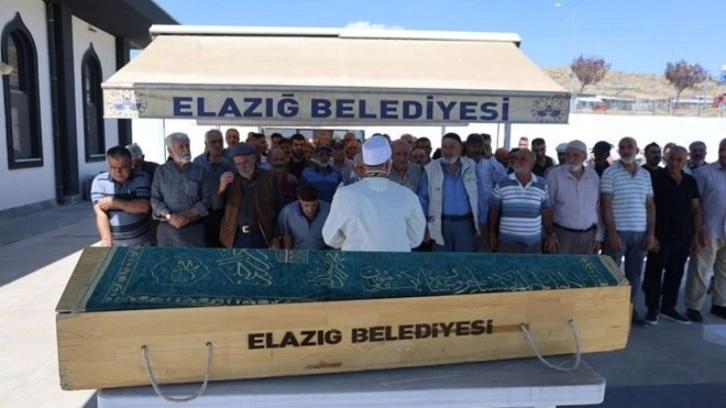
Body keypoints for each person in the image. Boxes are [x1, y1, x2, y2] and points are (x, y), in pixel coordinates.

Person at [323, 136, 425, 252]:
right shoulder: (408, 195)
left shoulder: (344, 195)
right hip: (395, 261)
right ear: (388, 164)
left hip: (357, 260)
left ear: (364, 165)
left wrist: (354, 241)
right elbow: (416, 238)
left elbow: (330, 237)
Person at [601, 137, 658, 326]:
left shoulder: (645, 175)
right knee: (612, 274)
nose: (626, 150)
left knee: (635, 275)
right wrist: (611, 233)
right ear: (619, 150)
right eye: (623, 147)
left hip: (640, 233)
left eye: (630, 147)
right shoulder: (610, 173)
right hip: (618, 232)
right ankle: (609, 312)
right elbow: (605, 204)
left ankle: (629, 311)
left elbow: (650, 205)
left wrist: (651, 233)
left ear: (636, 150)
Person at [642, 146, 701, 325]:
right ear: (666, 158)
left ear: (685, 161)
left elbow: (695, 209)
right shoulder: (655, 178)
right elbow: (648, 207)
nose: (675, 163)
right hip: (659, 236)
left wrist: (695, 236)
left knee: (675, 274)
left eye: (679, 160)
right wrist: (651, 235)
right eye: (672, 158)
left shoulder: (690, 181)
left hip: (682, 237)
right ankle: (652, 310)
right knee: (653, 274)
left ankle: (668, 308)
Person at [684, 138, 726, 322]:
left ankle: (720, 304)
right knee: (701, 270)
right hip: (708, 230)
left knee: (724, 271)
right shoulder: (704, 173)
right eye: (722, 149)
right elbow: (695, 204)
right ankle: (693, 306)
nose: (723, 153)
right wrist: (697, 229)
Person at [418, 133, 479, 252]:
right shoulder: (430, 169)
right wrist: (423, 225)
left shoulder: (471, 166)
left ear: (460, 148)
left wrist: (481, 223)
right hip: (440, 224)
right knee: (441, 260)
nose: (447, 151)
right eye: (444, 147)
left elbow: (479, 195)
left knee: (464, 260)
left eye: (451, 147)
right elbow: (423, 199)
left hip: (465, 224)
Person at [151, 133, 213, 248]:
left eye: (187, 146)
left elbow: (207, 199)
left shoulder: (200, 171)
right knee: (166, 259)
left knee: (194, 259)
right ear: (170, 151)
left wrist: (187, 215)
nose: (186, 150)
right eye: (181, 147)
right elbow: (154, 199)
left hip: (193, 229)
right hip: (167, 231)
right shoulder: (161, 171)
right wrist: (170, 216)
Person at [215, 143, 282, 249]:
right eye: (238, 164)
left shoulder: (269, 178)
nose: (242, 167)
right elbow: (216, 206)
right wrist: (221, 189)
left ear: (253, 158)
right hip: (236, 236)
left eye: (245, 162)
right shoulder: (230, 179)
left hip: (263, 235)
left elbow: (279, 207)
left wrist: (276, 236)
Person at [489, 148, 555, 254]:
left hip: (533, 243)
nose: (518, 161)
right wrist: (491, 233)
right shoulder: (502, 182)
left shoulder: (541, 184)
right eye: (516, 158)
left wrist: (550, 234)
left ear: (532, 163)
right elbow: (494, 208)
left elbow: (546, 210)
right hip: (507, 242)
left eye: (523, 159)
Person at [546, 141, 602, 255]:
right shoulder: (555, 175)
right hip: (562, 236)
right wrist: (550, 234)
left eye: (575, 155)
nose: (570, 159)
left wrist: (598, 237)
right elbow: (547, 207)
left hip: (588, 237)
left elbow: (597, 207)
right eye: (568, 155)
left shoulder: (593, 176)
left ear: (584, 157)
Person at [91, 146, 152, 246]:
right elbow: (100, 213)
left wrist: (113, 202)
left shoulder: (141, 177)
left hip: (142, 242)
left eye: (123, 167)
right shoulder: (99, 181)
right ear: (108, 165)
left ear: (131, 164)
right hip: (114, 243)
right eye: (113, 167)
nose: (118, 172)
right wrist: (106, 240)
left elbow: (144, 207)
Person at [193, 129, 235, 247]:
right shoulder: (198, 162)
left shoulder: (230, 160)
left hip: (226, 211)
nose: (218, 145)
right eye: (213, 142)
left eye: (220, 141)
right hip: (205, 212)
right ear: (206, 144)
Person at [466, 133, 506, 252]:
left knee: (484, 251)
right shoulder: (461, 163)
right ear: (467, 146)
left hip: (486, 217)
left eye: (479, 146)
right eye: (473, 145)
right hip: (466, 218)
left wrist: (491, 157)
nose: (476, 149)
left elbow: (502, 180)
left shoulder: (490, 164)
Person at [278, 185, 331, 250]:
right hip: (298, 253)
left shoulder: (328, 210)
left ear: (318, 200)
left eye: (314, 205)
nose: (310, 210)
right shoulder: (287, 213)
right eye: (306, 205)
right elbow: (286, 237)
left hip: (322, 253)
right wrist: (287, 255)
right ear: (299, 200)